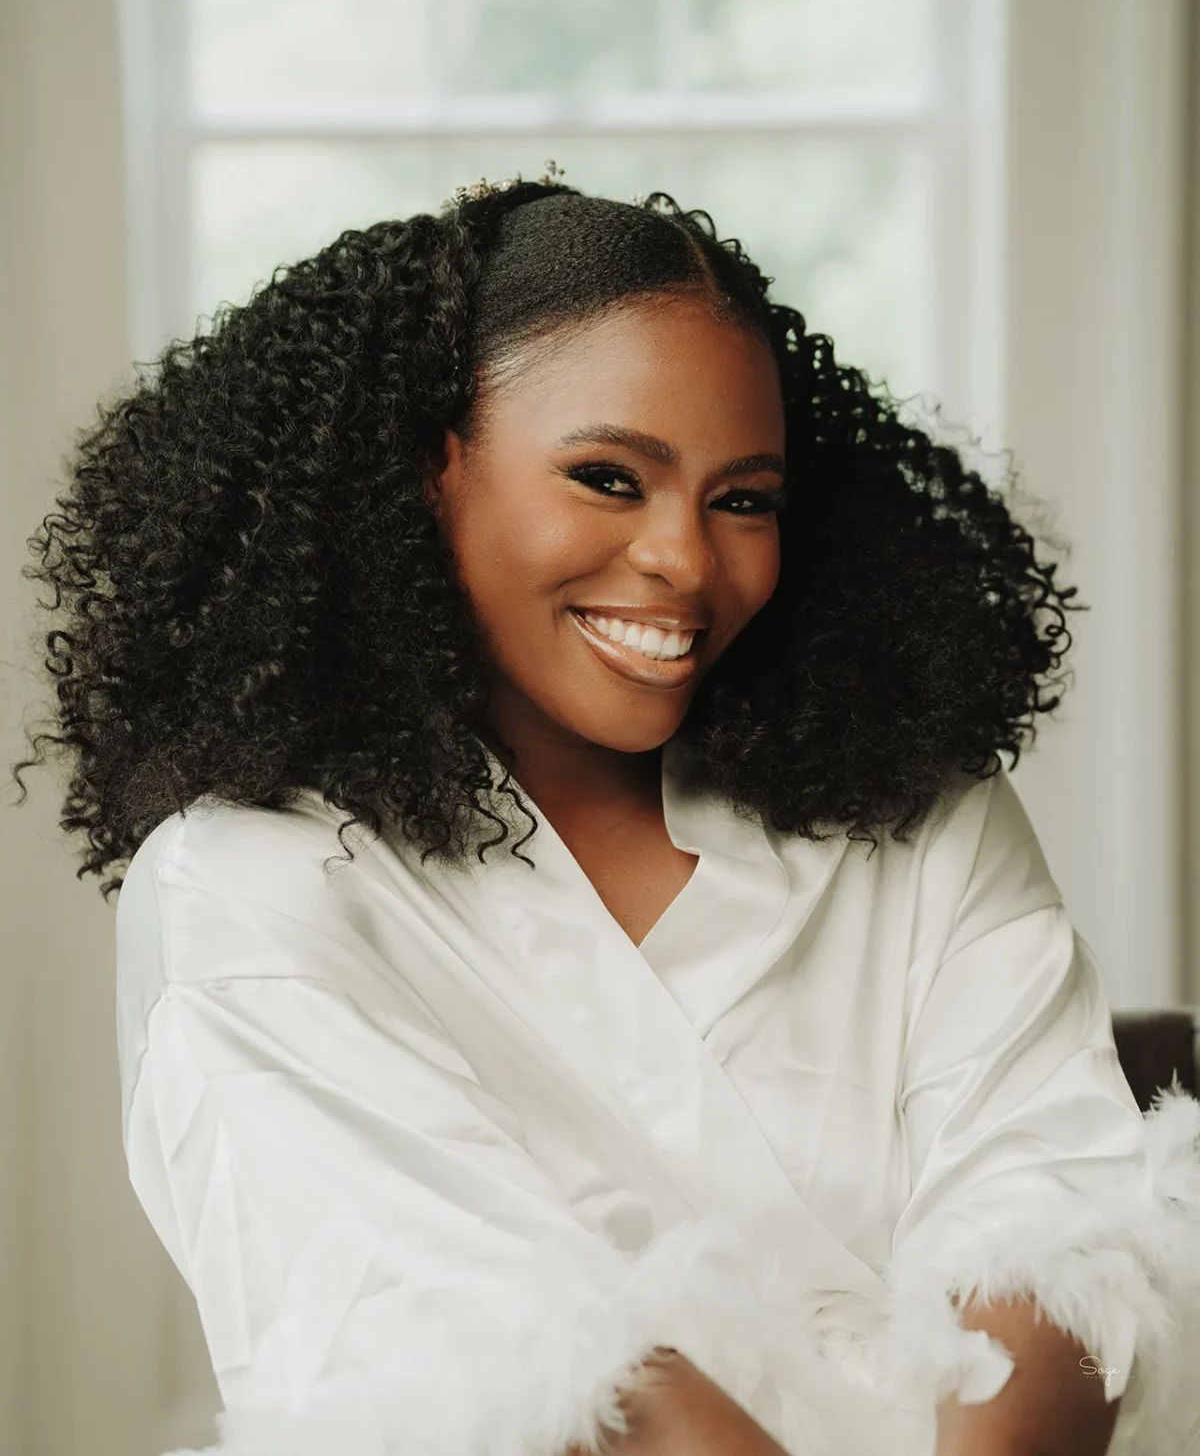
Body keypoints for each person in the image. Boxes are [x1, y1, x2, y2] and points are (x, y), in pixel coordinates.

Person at [12, 175, 1200, 1456]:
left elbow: (1054, 1220)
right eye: (608, 478)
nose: (688, 561)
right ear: (425, 472)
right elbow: (514, 1358)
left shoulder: (918, 808)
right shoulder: (249, 881)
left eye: (744, 499)